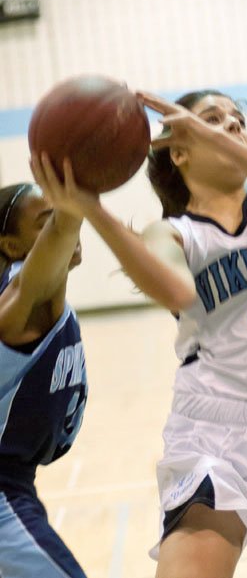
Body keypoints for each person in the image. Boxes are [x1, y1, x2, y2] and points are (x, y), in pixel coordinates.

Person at [35, 88, 247, 578]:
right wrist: (92, 209)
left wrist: (209, 131)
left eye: (238, 120)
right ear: (179, 152)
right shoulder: (177, 233)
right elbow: (177, 290)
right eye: (213, 119)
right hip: (219, 430)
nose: (232, 125)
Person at [0, 166, 88, 577]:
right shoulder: (22, 299)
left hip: (19, 485)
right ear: (9, 244)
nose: (60, 227)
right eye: (45, 220)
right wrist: (72, 200)